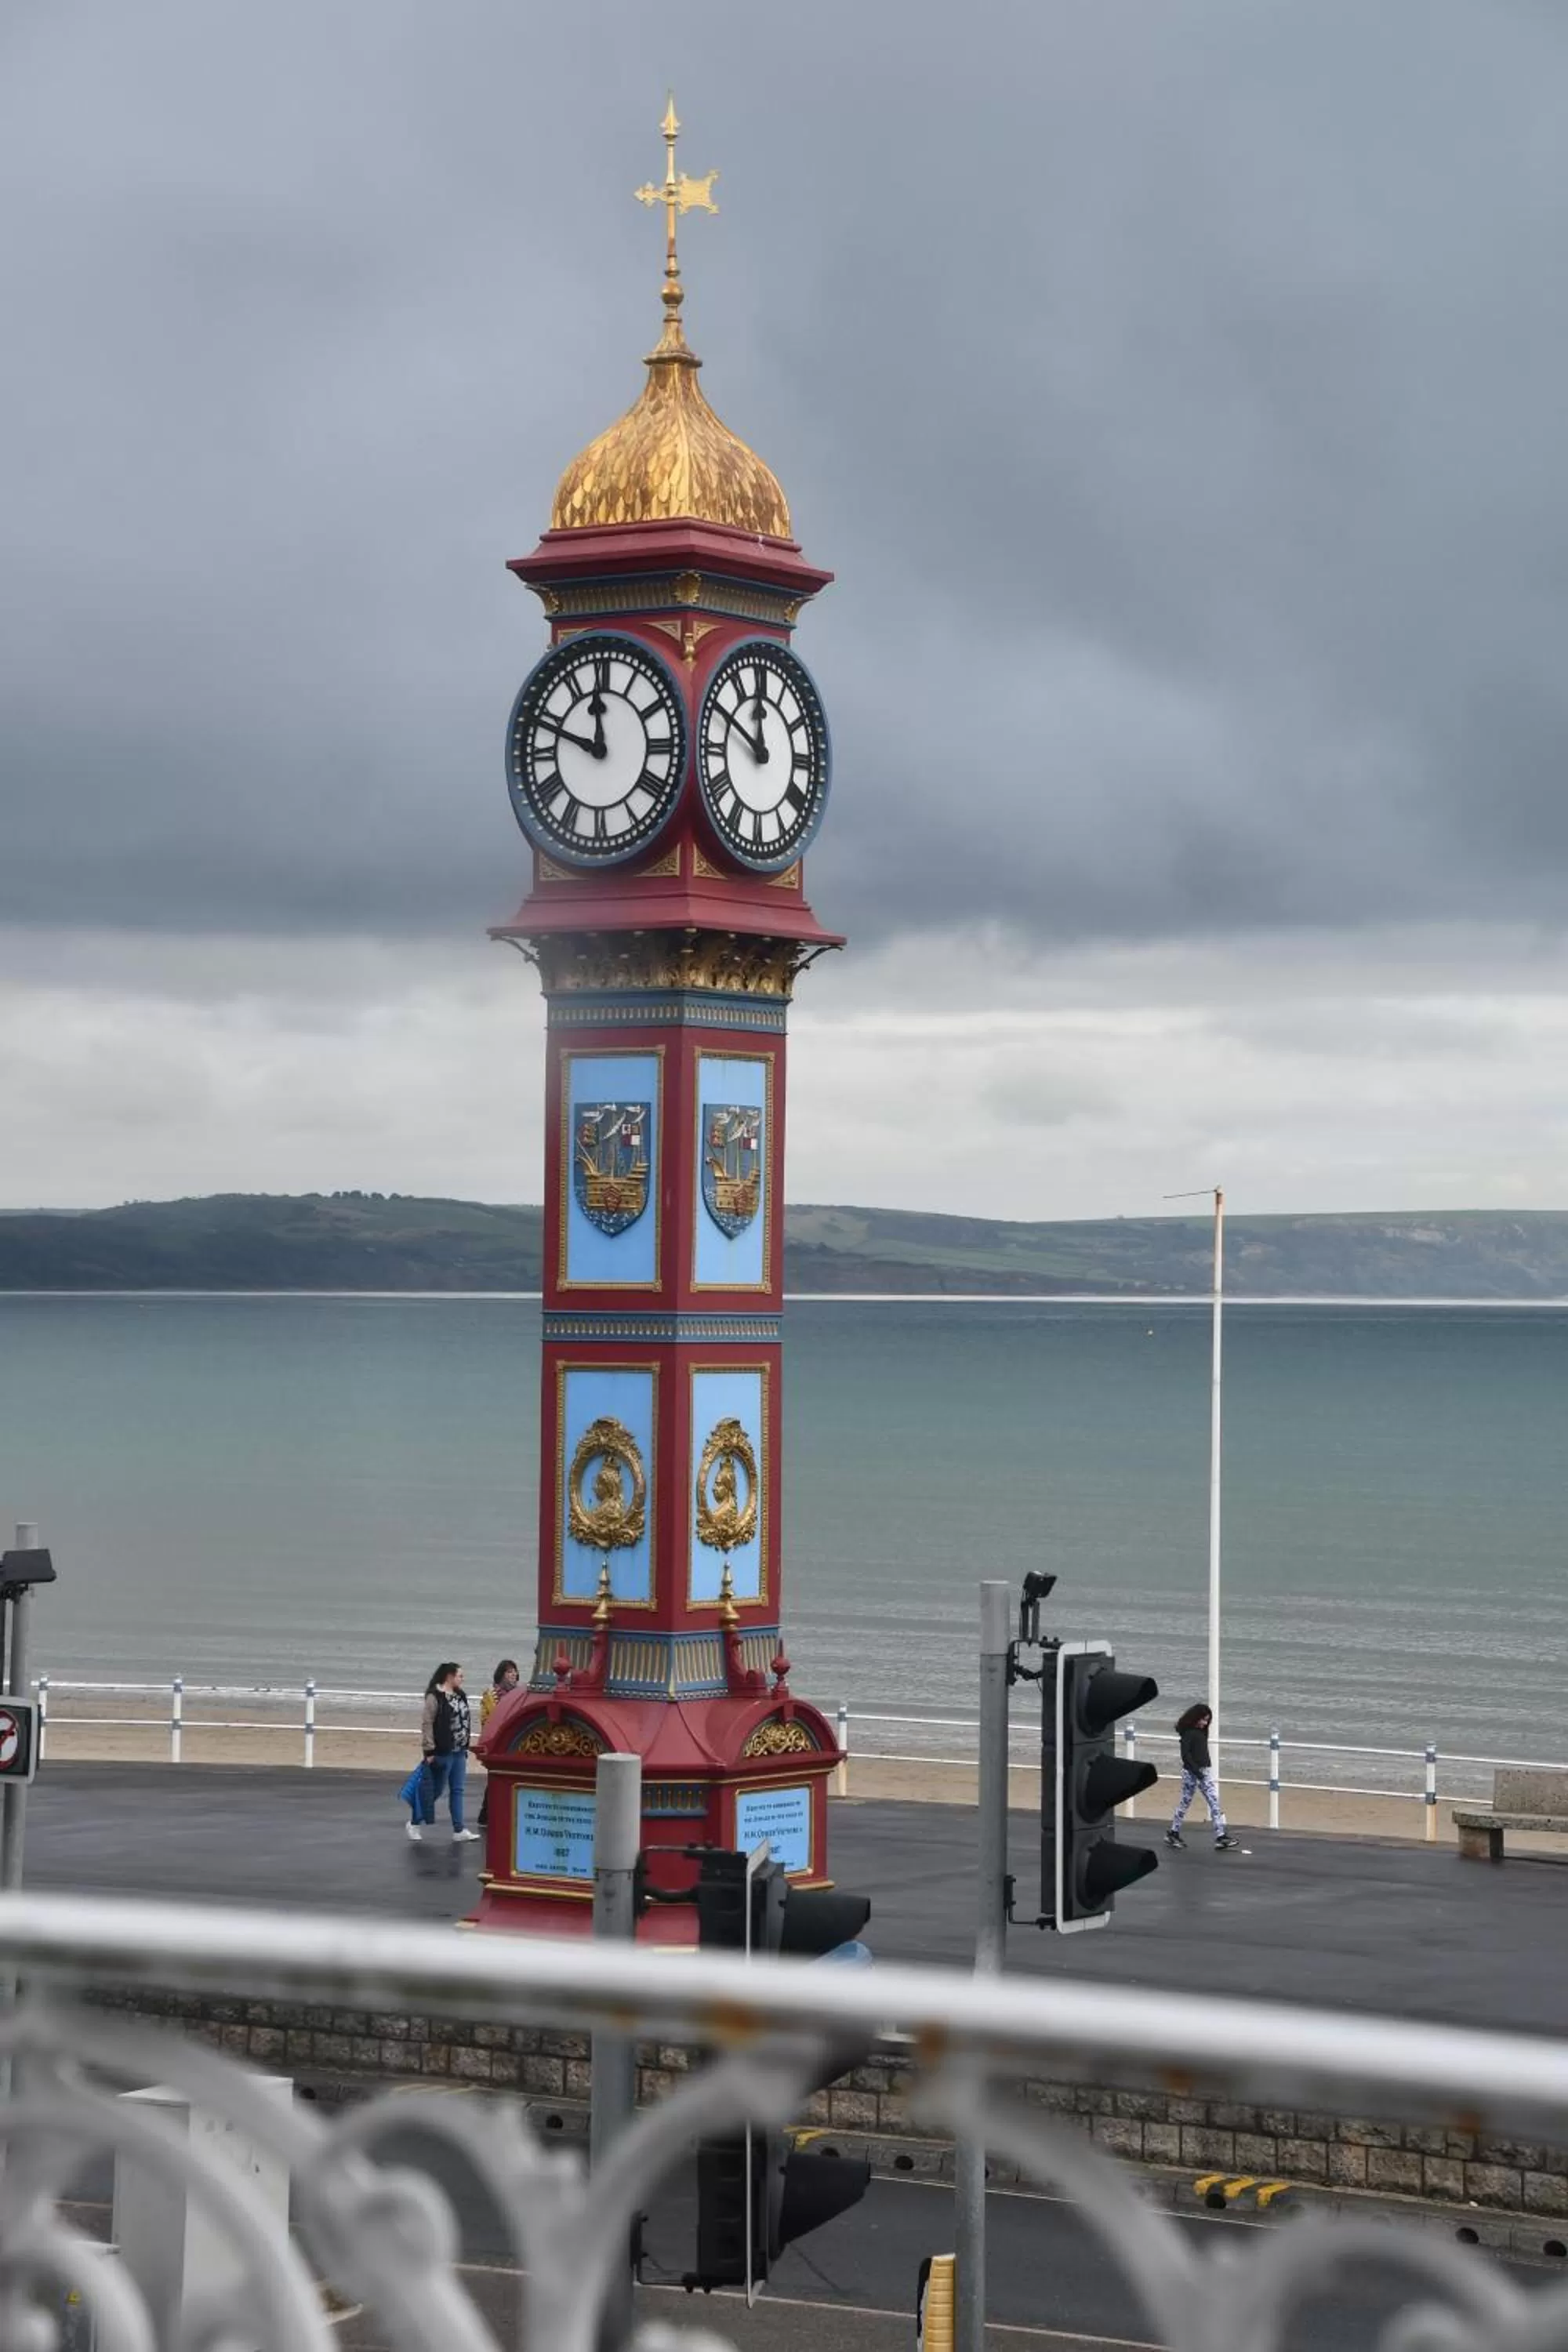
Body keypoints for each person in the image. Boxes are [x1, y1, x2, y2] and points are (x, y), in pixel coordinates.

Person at [1166, 1703, 1240, 1852]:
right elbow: (1186, 1755)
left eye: (1207, 1720)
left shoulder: (1201, 1732)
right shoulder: (1188, 1733)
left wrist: (1202, 1771)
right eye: (1203, 1720)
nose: (1205, 1723)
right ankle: (1174, 1833)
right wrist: (1197, 1772)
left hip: (1203, 1771)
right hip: (1193, 1772)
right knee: (1188, 1802)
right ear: (1195, 1718)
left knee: (1213, 1802)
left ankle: (1220, 1836)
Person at [419, 1661, 479, 1842]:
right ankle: (415, 1821)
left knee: (458, 1790)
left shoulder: (461, 1696)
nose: (463, 1679)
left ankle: (459, 1829)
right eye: (460, 1675)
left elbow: (465, 1720)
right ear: (449, 1676)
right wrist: (429, 1750)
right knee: (435, 1790)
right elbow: (427, 1723)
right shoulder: (435, 1697)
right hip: (442, 1751)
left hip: (459, 1751)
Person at [476, 1658, 521, 1829]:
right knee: (496, 1778)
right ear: (501, 1675)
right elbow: (487, 1720)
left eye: (515, 1671)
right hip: (496, 1743)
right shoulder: (491, 1696)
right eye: (509, 1672)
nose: (513, 1675)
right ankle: (486, 1815)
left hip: (515, 1741)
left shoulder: (519, 1695)